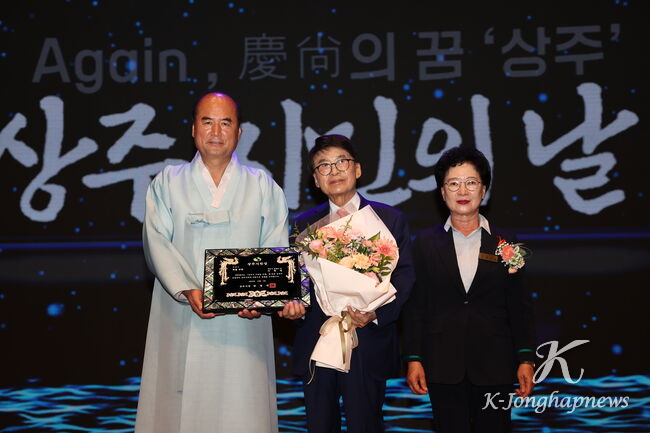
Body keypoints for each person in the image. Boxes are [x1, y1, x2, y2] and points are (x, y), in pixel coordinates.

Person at [135, 92, 289, 433]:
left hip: (244, 322)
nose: (216, 131)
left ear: (239, 132)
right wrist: (187, 289)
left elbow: (275, 246)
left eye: (225, 123)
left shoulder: (262, 185)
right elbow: (156, 240)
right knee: (178, 408)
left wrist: (261, 298)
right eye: (207, 122)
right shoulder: (168, 182)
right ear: (193, 129)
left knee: (243, 408)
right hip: (181, 314)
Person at [280, 134, 415, 433]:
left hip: (369, 341)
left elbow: (405, 278)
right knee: (320, 425)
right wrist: (294, 307)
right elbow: (297, 282)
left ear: (357, 169)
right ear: (316, 180)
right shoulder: (302, 225)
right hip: (317, 340)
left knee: (365, 425)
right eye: (323, 166)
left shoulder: (390, 219)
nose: (334, 170)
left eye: (341, 162)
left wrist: (375, 313)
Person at [402, 146, 536, 433]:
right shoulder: (424, 244)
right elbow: (416, 307)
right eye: (453, 183)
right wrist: (414, 358)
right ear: (442, 192)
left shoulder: (506, 243)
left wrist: (526, 358)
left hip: (495, 363)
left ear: (484, 190)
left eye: (471, 182)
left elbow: (520, 305)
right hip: (442, 364)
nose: (462, 190)